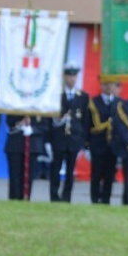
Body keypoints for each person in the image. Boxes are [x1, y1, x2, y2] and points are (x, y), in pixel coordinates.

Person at [48, 64, 87, 202]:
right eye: (69, 75)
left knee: (70, 171)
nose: (72, 79)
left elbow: (85, 121)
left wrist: (84, 143)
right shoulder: (56, 95)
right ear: (64, 76)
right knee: (55, 169)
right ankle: (54, 196)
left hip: (74, 139)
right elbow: (49, 120)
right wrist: (48, 140)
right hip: (58, 139)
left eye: (74, 76)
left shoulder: (82, 96)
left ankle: (66, 197)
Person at [88, 80, 123, 205]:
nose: (109, 86)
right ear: (101, 85)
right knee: (96, 174)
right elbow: (88, 125)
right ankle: (95, 199)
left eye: (111, 84)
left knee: (109, 175)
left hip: (113, 146)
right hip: (97, 145)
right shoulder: (94, 102)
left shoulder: (120, 103)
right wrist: (87, 145)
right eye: (106, 84)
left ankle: (106, 199)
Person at [2, 112, 46, 201]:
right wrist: (20, 123)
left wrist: (32, 129)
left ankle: (25, 200)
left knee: (28, 178)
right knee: (15, 178)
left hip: (32, 145)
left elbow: (45, 126)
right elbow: (9, 121)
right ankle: (13, 200)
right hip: (15, 144)